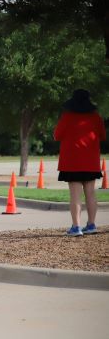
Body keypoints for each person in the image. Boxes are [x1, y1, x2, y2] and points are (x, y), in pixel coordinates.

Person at [54, 89, 106, 236]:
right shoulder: (95, 117)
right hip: (90, 161)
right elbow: (102, 135)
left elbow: (57, 135)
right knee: (91, 193)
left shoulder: (67, 117)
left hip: (72, 162)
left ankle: (76, 227)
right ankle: (91, 225)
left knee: (75, 195)